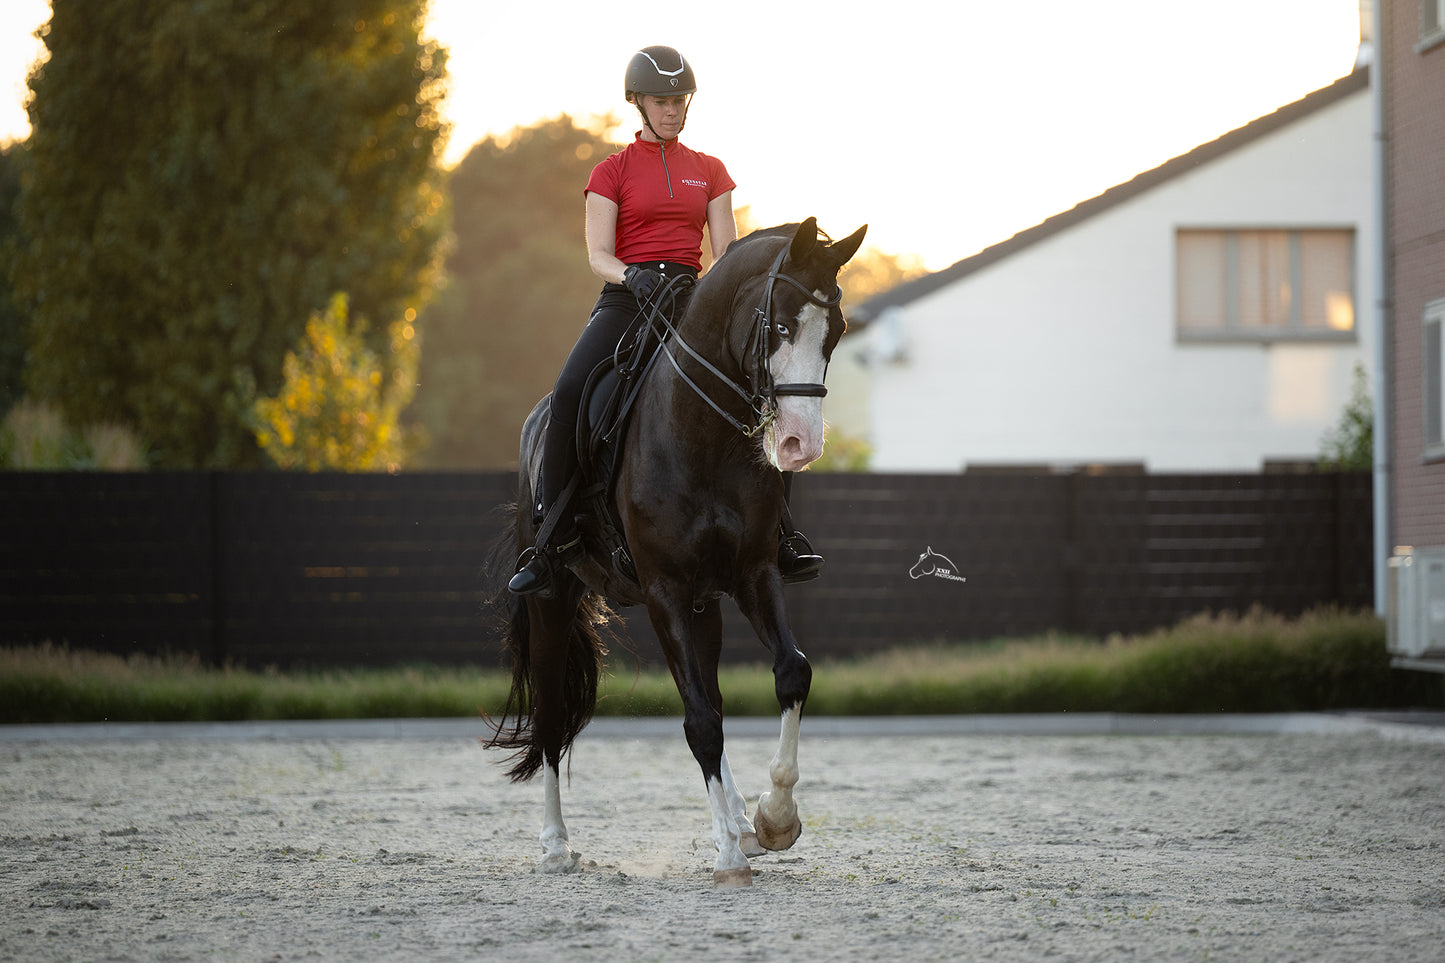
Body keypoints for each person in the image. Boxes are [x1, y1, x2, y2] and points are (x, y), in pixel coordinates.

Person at [509, 45, 823, 596]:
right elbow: (597, 255)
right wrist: (631, 276)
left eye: (680, 101)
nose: (673, 110)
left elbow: (724, 251)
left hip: (691, 302)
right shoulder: (610, 172)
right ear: (638, 103)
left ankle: (782, 532)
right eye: (661, 101)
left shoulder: (711, 171)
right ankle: (550, 536)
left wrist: (715, 292)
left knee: (761, 395)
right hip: (627, 300)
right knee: (569, 392)